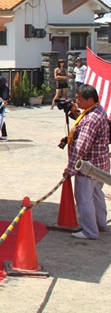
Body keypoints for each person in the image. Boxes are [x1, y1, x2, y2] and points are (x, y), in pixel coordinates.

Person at [63, 84, 110, 240]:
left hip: (88, 166)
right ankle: (100, 223)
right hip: (101, 164)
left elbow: (81, 146)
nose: (77, 101)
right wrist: (74, 112)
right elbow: (83, 122)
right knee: (96, 194)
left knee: (84, 198)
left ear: (90, 100)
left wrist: (70, 168)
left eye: (79, 99)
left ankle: (90, 231)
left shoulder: (91, 119)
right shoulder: (98, 110)